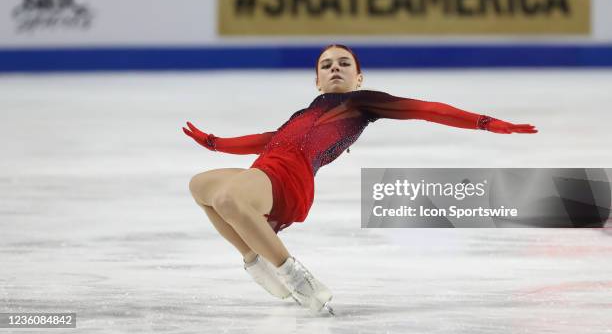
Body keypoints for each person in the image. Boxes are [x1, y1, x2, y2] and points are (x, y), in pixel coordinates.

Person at [183, 44, 537, 315]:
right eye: (326, 65)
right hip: (265, 169)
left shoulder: (363, 104)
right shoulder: (304, 112)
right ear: (317, 80)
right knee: (200, 186)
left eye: (344, 64)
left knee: (230, 200)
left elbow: (426, 109)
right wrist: (216, 144)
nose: (335, 68)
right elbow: (268, 140)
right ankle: (255, 258)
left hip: (289, 178)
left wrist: (484, 122)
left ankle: (294, 276)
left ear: (359, 78)